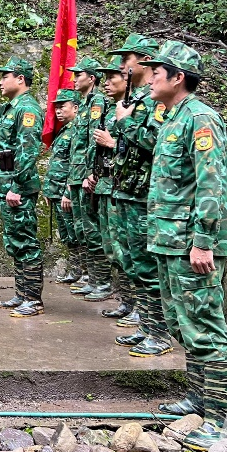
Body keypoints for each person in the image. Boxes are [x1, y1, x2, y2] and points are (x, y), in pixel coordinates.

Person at [139, 41, 227, 451]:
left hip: (190, 245)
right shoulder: (172, 117)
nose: (149, 79)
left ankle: (218, 420)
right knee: (182, 324)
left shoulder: (200, 118)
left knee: (205, 326)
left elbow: (211, 184)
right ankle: (198, 399)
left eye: (157, 73)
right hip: (169, 241)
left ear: (178, 78)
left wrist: (203, 242)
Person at [109, 34, 174, 355]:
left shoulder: (156, 103)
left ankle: (159, 334)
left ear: (145, 61)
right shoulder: (138, 99)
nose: (122, 65)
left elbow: (157, 142)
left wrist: (125, 124)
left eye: (127, 59)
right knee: (134, 264)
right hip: (128, 192)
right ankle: (146, 327)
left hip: (143, 196)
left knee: (148, 268)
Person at [0, 56, 46, 318]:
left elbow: (28, 151)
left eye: (5, 76)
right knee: (15, 241)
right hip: (6, 185)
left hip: (17, 188)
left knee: (25, 242)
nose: (0, 81)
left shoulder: (27, 109)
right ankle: (22, 293)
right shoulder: (12, 107)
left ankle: (33, 299)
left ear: (20, 79)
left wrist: (17, 186)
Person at [64, 56, 108, 297]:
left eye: (78, 75)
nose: (74, 79)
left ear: (91, 78)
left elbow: (94, 140)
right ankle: (92, 278)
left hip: (86, 176)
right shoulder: (83, 104)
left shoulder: (97, 102)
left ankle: (103, 282)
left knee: (92, 229)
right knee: (82, 230)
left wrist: (92, 172)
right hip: (76, 175)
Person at [89, 56, 128, 304]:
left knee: (125, 249)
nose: (106, 83)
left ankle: (134, 305)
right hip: (105, 184)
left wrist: (112, 143)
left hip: (122, 187)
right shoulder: (112, 110)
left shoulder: (134, 109)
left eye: (111, 77)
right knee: (111, 246)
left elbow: (143, 147)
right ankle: (126, 300)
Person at [46, 89, 81, 284]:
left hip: (67, 192)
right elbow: (56, 162)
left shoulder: (77, 130)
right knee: (67, 234)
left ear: (75, 108)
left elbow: (76, 163)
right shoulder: (65, 130)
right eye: (56, 107)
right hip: (57, 191)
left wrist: (69, 191)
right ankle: (75, 270)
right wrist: (49, 190)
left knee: (76, 233)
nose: (58, 111)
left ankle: (85, 273)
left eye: (62, 106)